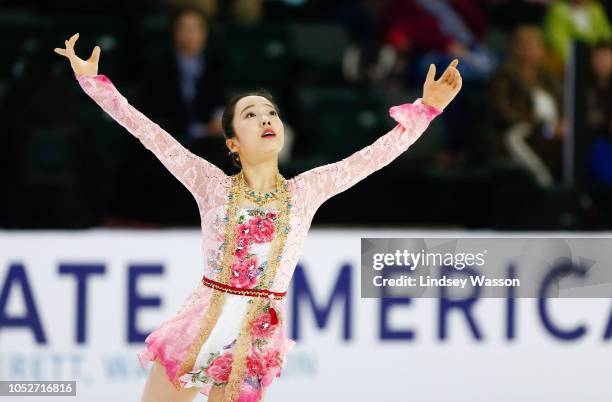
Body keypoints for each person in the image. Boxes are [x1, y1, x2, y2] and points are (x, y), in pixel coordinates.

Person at [54, 32, 461, 402]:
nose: (266, 119)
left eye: (270, 113)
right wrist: (93, 83)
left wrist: (426, 109)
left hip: (256, 336)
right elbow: (149, 133)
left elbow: (371, 158)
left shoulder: (306, 191)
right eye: (251, 115)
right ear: (231, 142)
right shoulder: (211, 185)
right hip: (201, 324)